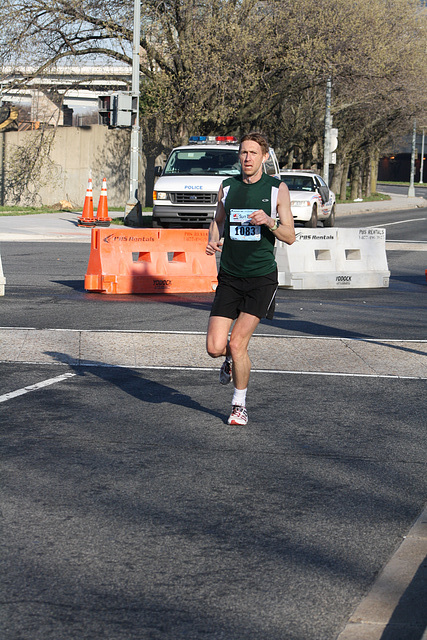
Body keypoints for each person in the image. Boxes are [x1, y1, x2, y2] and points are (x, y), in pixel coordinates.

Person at [206, 132, 296, 426]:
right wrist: (213, 240)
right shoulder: (227, 187)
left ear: (265, 157)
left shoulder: (276, 189)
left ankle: (238, 406)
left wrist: (269, 221)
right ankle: (229, 361)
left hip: (260, 278)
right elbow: (218, 220)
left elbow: (290, 236)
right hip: (230, 276)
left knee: (237, 343)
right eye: (243, 153)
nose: (247, 158)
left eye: (253, 153)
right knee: (215, 348)